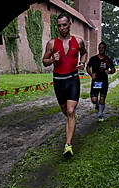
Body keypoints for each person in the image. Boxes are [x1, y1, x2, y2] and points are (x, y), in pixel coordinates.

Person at [42, 12, 87, 157]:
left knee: (70, 111)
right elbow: (44, 61)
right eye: (59, 25)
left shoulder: (78, 41)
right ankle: (70, 122)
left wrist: (82, 62)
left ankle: (68, 145)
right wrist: (53, 59)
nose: (62, 28)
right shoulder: (52, 43)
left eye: (64, 25)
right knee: (65, 112)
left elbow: (84, 53)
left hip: (73, 79)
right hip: (59, 81)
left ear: (69, 24)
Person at [87, 42, 115, 122]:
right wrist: (91, 74)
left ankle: (100, 114)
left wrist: (109, 72)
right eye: (100, 47)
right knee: (94, 100)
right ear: (98, 48)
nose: (101, 49)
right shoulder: (93, 58)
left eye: (103, 47)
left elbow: (113, 70)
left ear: (105, 49)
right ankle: (97, 105)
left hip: (104, 81)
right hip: (95, 81)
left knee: (102, 98)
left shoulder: (108, 59)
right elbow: (88, 67)